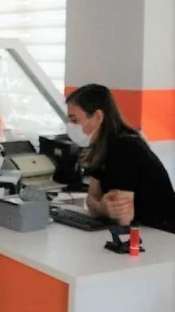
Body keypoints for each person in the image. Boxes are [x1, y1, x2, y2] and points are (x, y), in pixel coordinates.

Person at [66, 84, 175, 233]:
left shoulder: (125, 148)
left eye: (74, 120)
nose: (71, 127)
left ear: (98, 117)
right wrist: (102, 207)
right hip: (145, 231)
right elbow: (91, 198)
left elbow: (122, 217)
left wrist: (101, 207)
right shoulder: (102, 147)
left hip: (160, 233)